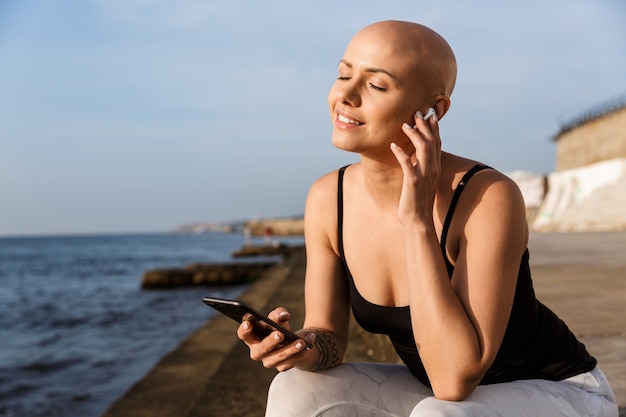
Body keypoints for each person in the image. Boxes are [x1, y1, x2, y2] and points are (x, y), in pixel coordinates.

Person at [237, 20, 618, 416]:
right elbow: (329, 339)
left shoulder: (487, 196)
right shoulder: (327, 198)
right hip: (444, 397)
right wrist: (298, 347)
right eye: (344, 73)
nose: (346, 95)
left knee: (439, 413)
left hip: (558, 393)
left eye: (377, 85)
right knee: (295, 389)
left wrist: (417, 219)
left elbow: (454, 380)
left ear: (433, 111)